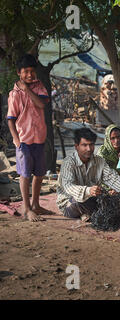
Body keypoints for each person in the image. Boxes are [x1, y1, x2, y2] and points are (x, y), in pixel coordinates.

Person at [7, 54, 53, 222]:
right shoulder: (14, 94)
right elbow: (11, 120)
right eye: (26, 71)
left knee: (39, 173)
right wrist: (16, 140)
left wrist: (28, 89)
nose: (29, 75)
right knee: (25, 174)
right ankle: (26, 209)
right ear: (19, 73)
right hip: (24, 140)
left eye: (32, 71)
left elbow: (41, 104)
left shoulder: (39, 86)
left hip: (39, 137)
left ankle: (36, 204)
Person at [56, 128, 120, 221]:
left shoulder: (99, 161)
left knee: (116, 199)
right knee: (82, 201)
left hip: (93, 198)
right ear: (76, 146)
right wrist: (88, 191)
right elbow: (68, 186)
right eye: (84, 145)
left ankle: (88, 214)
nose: (89, 149)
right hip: (70, 203)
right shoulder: (68, 162)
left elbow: (112, 178)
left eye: (91, 145)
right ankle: (89, 213)